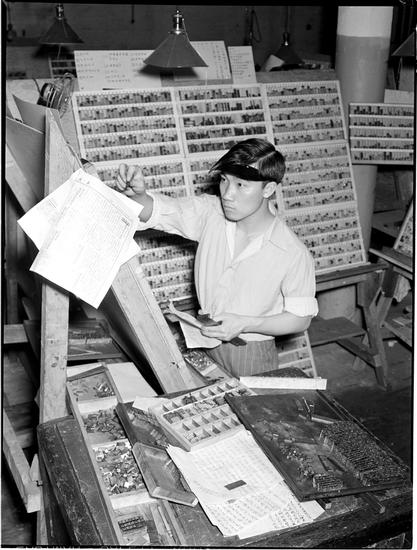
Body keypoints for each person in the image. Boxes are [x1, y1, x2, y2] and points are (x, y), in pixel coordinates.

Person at [115, 138, 318, 377]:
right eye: (224, 180)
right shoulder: (211, 213)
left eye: (241, 185)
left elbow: (300, 318)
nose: (228, 194)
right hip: (203, 338)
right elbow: (162, 211)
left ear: (268, 189)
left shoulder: (292, 252)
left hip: (250, 352)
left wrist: (246, 323)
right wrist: (138, 197)